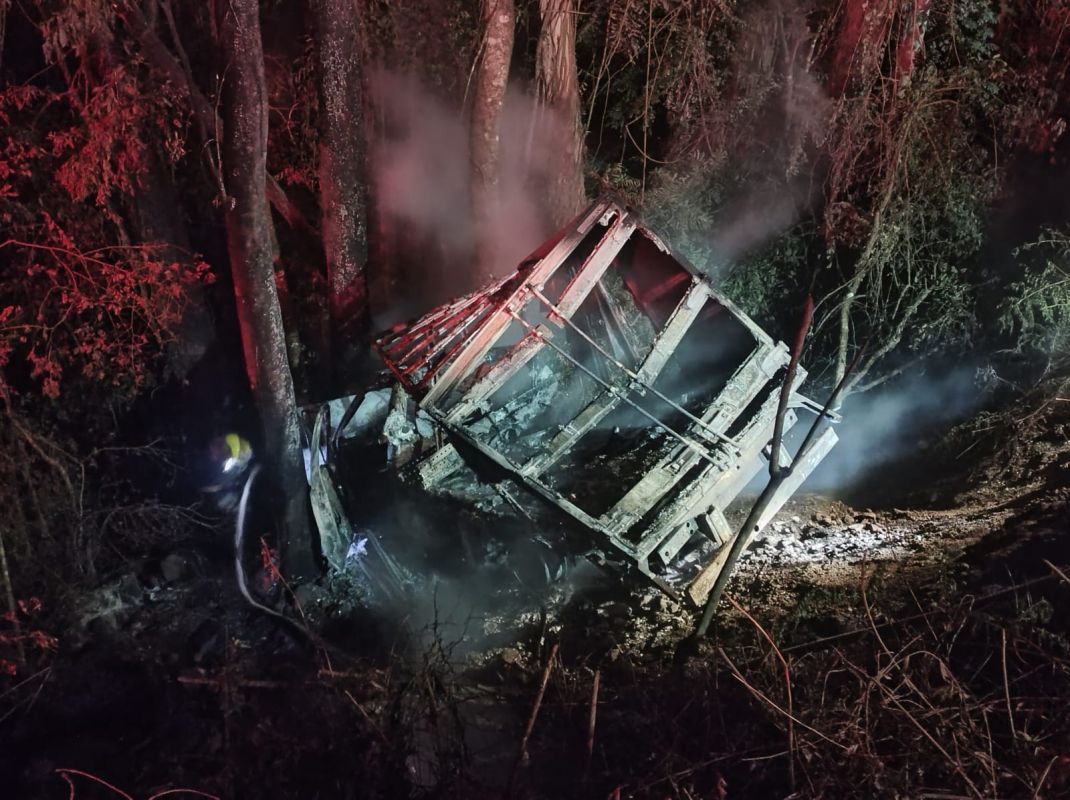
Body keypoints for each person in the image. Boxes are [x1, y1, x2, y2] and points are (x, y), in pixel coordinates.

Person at [201, 432, 254, 513]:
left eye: (214, 450)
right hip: (239, 465)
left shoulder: (229, 438)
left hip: (245, 454)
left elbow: (235, 444)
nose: (214, 454)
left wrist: (233, 459)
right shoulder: (224, 457)